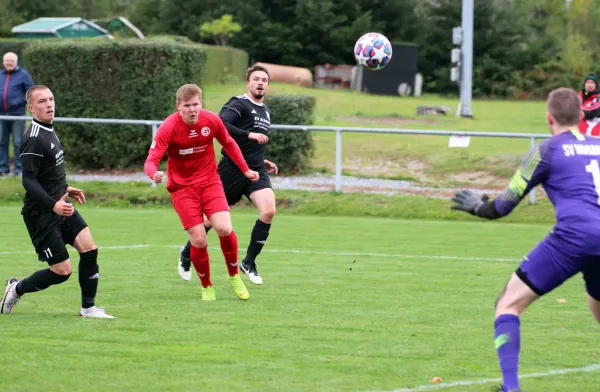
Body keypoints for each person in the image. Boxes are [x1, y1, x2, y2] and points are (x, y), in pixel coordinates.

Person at [450, 87, 600, 392]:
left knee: (508, 303)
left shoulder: (546, 150)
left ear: (549, 118)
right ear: (582, 116)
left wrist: (478, 207)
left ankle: (511, 388)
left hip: (573, 238)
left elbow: (503, 206)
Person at [0, 85, 115, 318]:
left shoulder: (48, 129)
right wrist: (53, 204)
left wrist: (65, 188)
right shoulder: (33, 138)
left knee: (90, 249)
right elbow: (29, 181)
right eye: (42, 101)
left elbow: (47, 172)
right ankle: (16, 288)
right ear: (31, 108)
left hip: (60, 205)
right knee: (62, 272)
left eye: (51, 99)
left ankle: (89, 308)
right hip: (41, 214)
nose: (49, 104)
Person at [145, 83, 259, 301]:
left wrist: (245, 169)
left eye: (195, 104)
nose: (192, 109)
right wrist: (154, 174)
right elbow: (151, 160)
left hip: (210, 182)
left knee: (224, 228)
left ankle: (234, 276)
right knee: (198, 240)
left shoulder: (211, 120)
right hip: (182, 188)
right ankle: (207, 286)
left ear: (201, 103)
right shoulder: (168, 127)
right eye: (187, 105)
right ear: (178, 106)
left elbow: (229, 142)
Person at [178, 65, 278, 285]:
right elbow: (220, 124)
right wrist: (249, 134)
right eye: (256, 79)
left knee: (269, 210)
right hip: (232, 169)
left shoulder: (266, 111)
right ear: (248, 83)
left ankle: (249, 262)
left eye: (264, 80)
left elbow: (253, 145)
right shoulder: (238, 104)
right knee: (212, 220)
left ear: (268, 85)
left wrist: (262, 160)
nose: (260, 83)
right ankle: (186, 254)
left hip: (255, 171)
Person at [0, 52, 35, 176]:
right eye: (7, 61)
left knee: (17, 142)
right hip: (1, 115)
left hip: (17, 115)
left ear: (16, 62)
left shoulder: (23, 75)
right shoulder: (1, 74)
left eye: (11, 61)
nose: (9, 63)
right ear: (4, 62)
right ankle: (3, 169)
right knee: (1, 142)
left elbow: (31, 91)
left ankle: (19, 169)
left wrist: (19, 102)